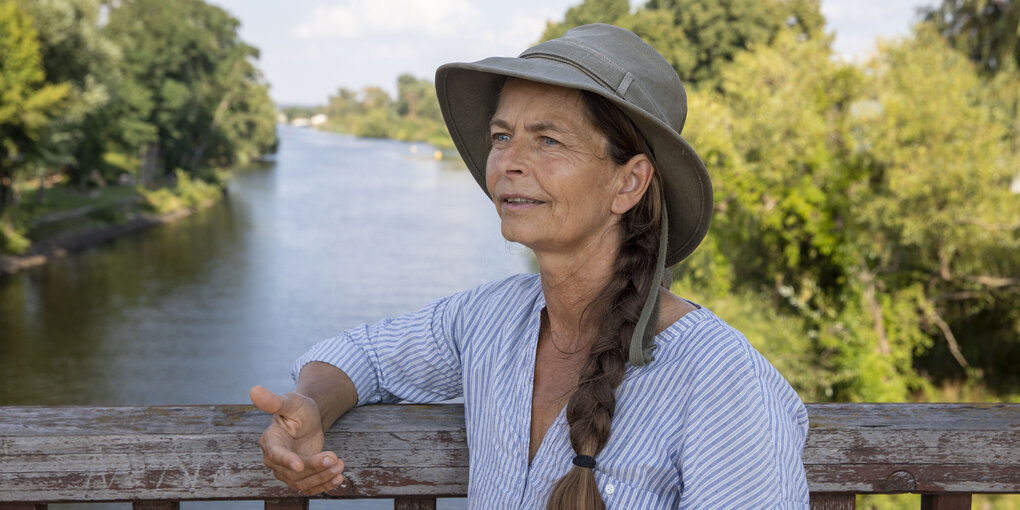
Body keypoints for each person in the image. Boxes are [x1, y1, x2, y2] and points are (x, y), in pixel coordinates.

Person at [251, 23, 809, 509]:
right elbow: (364, 355)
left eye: (547, 140)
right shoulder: (490, 320)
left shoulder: (723, 380)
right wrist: (313, 404)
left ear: (629, 182)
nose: (509, 163)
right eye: (502, 136)